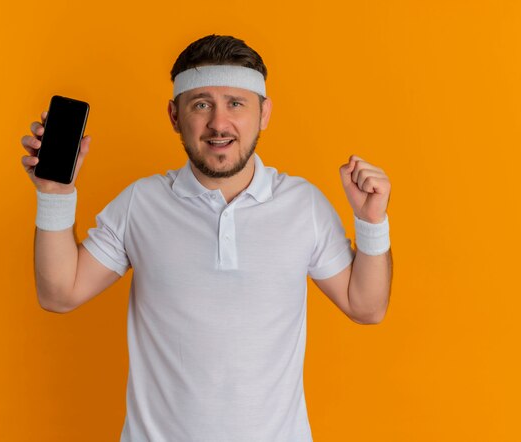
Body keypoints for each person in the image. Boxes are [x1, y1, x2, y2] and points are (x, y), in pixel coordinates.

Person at [20, 34, 393, 442]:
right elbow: (59, 294)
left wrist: (371, 222)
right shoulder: (141, 203)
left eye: (236, 103)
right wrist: (54, 195)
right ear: (174, 115)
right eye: (201, 104)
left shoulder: (303, 205)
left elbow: (366, 307)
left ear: (264, 113)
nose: (219, 123)